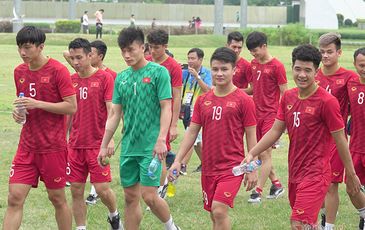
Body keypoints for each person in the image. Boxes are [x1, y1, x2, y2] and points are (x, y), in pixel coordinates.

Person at [244, 44, 362, 229]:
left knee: (298, 223)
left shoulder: (327, 102)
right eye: (298, 69)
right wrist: (253, 152)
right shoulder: (289, 97)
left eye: (308, 70)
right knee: (309, 224)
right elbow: (276, 130)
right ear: (292, 68)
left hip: (316, 174)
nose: (302, 75)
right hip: (295, 172)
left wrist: (352, 174)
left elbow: (340, 139)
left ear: (316, 71)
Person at [97, 27, 180, 230]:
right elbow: (115, 113)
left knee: (150, 196)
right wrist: (104, 144)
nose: (127, 55)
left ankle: (172, 227)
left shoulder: (158, 72)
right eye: (123, 50)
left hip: (151, 146)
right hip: (129, 147)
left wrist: (162, 138)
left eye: (131, 50)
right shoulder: (121, 78)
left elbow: (166, 107)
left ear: (143, 48)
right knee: (130, 197)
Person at [169, 47, 258, 230]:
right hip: (209, 168)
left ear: (234, 70)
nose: (219, 73)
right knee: (213, 214)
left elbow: (251, 135)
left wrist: (252, 167)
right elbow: (192, 132)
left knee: (219, 210)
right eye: (215, 69)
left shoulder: (244, 100)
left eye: (224, 69)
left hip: (232, 167)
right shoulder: (203, 100)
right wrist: (178, 161)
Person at [2, 26, 76, 230]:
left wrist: (39, 104)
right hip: (26, 148)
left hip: (53, 148)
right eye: (20, 48)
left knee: (57, 198)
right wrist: (18, 114)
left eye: (27, 47)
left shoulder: (58, 70)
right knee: (14, 198)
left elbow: (71, 106)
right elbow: (23, 106)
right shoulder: (20, 71)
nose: (22, 52)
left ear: (41, 46)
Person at [67, 38, 122, 230]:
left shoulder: (104, 78)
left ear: (90, 56)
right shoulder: (71, 80)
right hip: (74, 146)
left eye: (79, 57)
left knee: (102, 189)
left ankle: (114, 215)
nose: (75, 62)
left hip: (97, 144)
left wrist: (110, 140)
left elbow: (112, 111)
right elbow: (69, 114)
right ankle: (81, 227)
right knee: (75, 190)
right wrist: (63, 138)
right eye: (72, 58)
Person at [315, 32, 358, 229]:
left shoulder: (349, 77)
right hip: (314, 140)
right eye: (322, 52)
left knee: (331, 184)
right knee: (317, 184)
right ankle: (326, 215)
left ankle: (329, 226)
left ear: (339, 52)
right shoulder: (314, 75)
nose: (325, 56)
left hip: (335, 140)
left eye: (329, 52)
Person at [245, 31, 286, 203]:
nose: (254, 54)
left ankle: (258, 192)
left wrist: (283, 119)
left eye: (256, 50)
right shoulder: (253, 64)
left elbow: (285, 93)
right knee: (260, 153)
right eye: (251, 51)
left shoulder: (277, 66)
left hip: (272, 115)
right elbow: (252, 89)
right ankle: (276, 184)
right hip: (256, 114)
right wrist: (233, 92)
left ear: (264, 46)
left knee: (264, 153)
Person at [146, 29, 182, 197]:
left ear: (165, 46)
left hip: (164, 117)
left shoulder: (173, 66)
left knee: (160, 153)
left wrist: (173, 125)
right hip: (145, 116)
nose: (153, 51)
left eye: (157, 47)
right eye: (150, 47)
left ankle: (161, 189)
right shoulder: (145, 62)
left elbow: (176, 96)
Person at [179, 48, 212, 175]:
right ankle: (207, 164)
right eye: (188, 58)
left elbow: (208, 91)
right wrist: (176, 69)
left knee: (190, 136)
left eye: (193, 58)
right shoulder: (185, 72)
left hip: (200, 110)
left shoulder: (207, 73)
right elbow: (174, 80)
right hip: (186, 109)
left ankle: (183, 165)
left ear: (200, 59)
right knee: (197, 141)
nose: (190, 61)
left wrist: (197, 77)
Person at [348, 47, 365, 230]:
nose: (364, 68)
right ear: (355, 65)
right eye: (361, 65)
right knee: (352, 189)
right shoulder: (351, 85)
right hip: (355, 148)